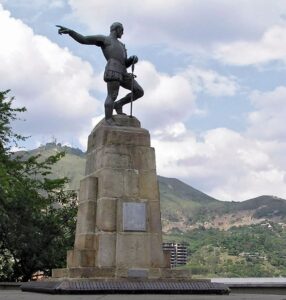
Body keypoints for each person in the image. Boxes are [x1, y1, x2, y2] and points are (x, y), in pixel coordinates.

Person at [57, 22, 144, 125]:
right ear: (116, 29)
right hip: (113, 69)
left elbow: (124, 63)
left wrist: (132, 59)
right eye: (122, 30)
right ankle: (108, 119)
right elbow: (84, 39)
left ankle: (118, 104)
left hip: (124, 72)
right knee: (112, 95)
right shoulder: (105, 39)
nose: (123, 33)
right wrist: (71, 32)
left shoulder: (121, 45)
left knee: (139, 91)